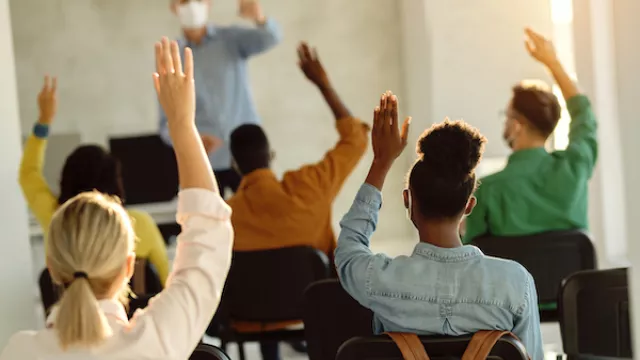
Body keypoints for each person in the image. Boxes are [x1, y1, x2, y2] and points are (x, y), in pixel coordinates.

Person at [1, 37, 233, 359]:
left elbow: (27, 175)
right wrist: (182, 124)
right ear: (127, 266)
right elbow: (208, 243)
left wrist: (43, 121)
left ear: (52, 267)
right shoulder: (155, 341)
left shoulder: (18, 351)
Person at [335, 92, 543, 360]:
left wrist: (381, 163)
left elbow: (348, 250)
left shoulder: (378, 279)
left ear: (408, 202)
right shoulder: (515, 283)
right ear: (468, 207)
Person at [226, 42, 369, 360]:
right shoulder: (311, 186)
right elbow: (356, 140)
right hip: (315, 306)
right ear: (271, 156)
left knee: (260, 283)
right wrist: (323, 83)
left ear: (235, 165)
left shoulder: (224, 217)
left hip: (248, 318)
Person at [20, 76, 170, 286]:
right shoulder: (139, 225)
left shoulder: (55, 220)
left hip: (69, 318)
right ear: (115, 183)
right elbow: (167, 280)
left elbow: (28, 174)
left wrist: (44, 120)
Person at [462, 28, 598, 243]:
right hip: (569, 277)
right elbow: (583, 114)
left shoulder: (487, 191)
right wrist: (553, 63)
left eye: (506, 116)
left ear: (517, 126)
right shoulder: (575, 167)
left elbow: (471, 260)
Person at [159, 0, 281, 196]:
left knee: (263, 217)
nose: (192, 5)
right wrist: (189, 138)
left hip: (247, 155)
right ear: (173, 7)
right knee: (209, 221)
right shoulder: (173, 58)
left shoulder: (230, 39)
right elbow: (166, 122)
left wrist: (259, 18)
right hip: (205, 161)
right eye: (184, 1)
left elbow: (271, 38)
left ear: (209, 3)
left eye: (198, 0)